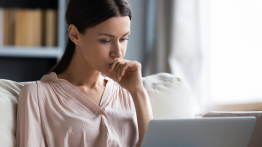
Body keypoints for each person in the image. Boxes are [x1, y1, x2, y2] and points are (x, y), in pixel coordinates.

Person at [16, 0, 153, 147]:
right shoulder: (37, 95)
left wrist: (138, 92)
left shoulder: (129, 93)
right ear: (74, 34)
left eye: (123, 38)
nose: (118, 52)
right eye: (106, 40)